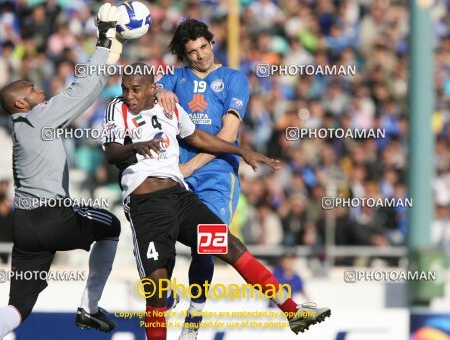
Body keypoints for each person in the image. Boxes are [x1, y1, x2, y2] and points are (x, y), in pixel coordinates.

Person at [102, 65, 331, 340]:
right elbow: (113, 153)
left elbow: (198, 137)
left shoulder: (170, 108)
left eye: (135, 89)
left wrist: (242, 150)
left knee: (230, 245)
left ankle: (292, 310)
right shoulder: (118, 107)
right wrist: (134, 147)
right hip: (146, 206)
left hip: (179, 199)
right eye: (125, 88)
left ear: (153, 88)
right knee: (157, 289)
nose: (128, 94)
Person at [0, 4, 124, 339]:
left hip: (25, 227)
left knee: (18, 307)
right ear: (20, 104)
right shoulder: (38, 117)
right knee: (111, 224)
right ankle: (89, 307)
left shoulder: (25, 124)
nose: (38, 89)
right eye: (30, 88)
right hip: (52, 217)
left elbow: (85, 94)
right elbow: (79, 92)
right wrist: (103, 43)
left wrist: (109, 56)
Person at [155, 18, 249, 338]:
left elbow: (229, 133)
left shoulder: (234, 79)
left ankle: (193, 323)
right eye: (192, 51)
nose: (199, 55)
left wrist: (191, 166)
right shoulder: (173, 77)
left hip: (216, 175)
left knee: (205, 245)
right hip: (176, 171)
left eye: (203, 46)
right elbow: (144, 92)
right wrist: (158, 92)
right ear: (184, 54)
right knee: (157, 237)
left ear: (212, 43)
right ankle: (165, 295)